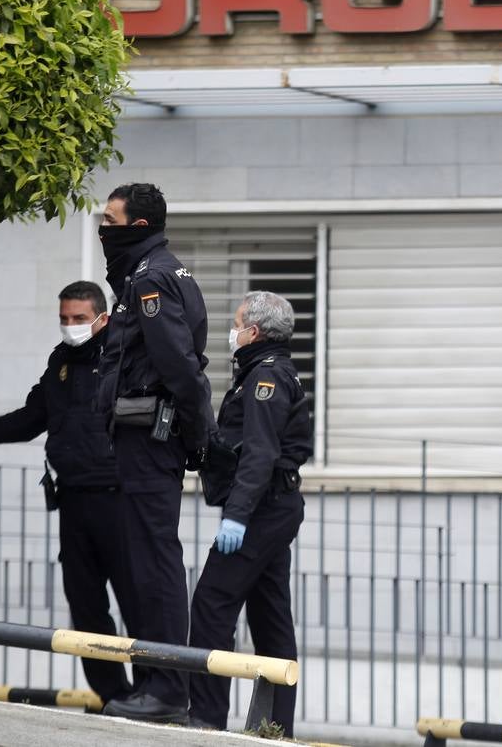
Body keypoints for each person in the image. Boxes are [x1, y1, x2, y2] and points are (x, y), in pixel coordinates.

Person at [0, 281, 135, 705]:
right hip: (73, 497)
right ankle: (113, 695)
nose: (70, 326)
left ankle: (155, 693)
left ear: (101, 317)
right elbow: (33, 416)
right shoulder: (61, 360)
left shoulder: (125, 358)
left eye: (79, 319)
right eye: (64, 319)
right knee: (85, 605)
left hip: (118, 496)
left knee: (136, 601)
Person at [94, 183, 211, 724]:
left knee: (155, 563)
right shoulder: (152, 273)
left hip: (150, 437)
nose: (102, 226)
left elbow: (180, 366)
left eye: (110, 219)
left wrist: (198, 434)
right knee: (146, 560)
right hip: (143, 437)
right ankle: (155, 682)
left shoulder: (153, 279)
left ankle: (165, 688)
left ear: (138, 226)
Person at [189, 291, 312, 736]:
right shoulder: (265, 372)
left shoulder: (266, 378)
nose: (232, 331)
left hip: (262, 510)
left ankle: (205, 720)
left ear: (254, 331)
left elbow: (259, 454)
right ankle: (275, 728)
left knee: (211, 605)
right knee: (270, 615)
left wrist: (237, 515)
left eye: (237, 323)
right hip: (273, 507)